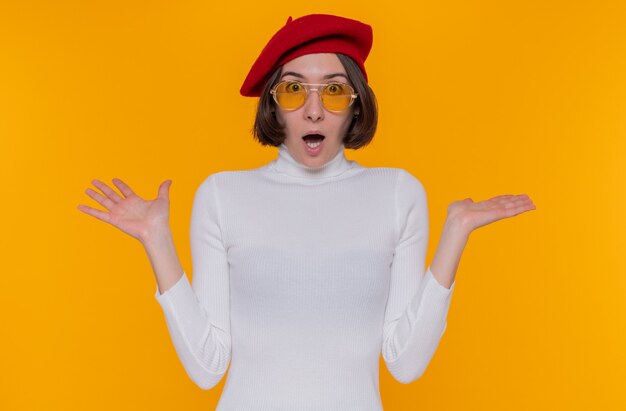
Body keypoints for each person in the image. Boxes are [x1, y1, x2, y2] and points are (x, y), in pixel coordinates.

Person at [77, 13, 536, 410]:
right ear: (273, 105)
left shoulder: (398, 193)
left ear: (356, 106)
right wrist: (158, 240)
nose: (313, 110)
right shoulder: (222, 194)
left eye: (334, 90)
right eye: (294, 89)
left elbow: (406, 362)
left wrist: (455, 233)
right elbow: (206, 367)